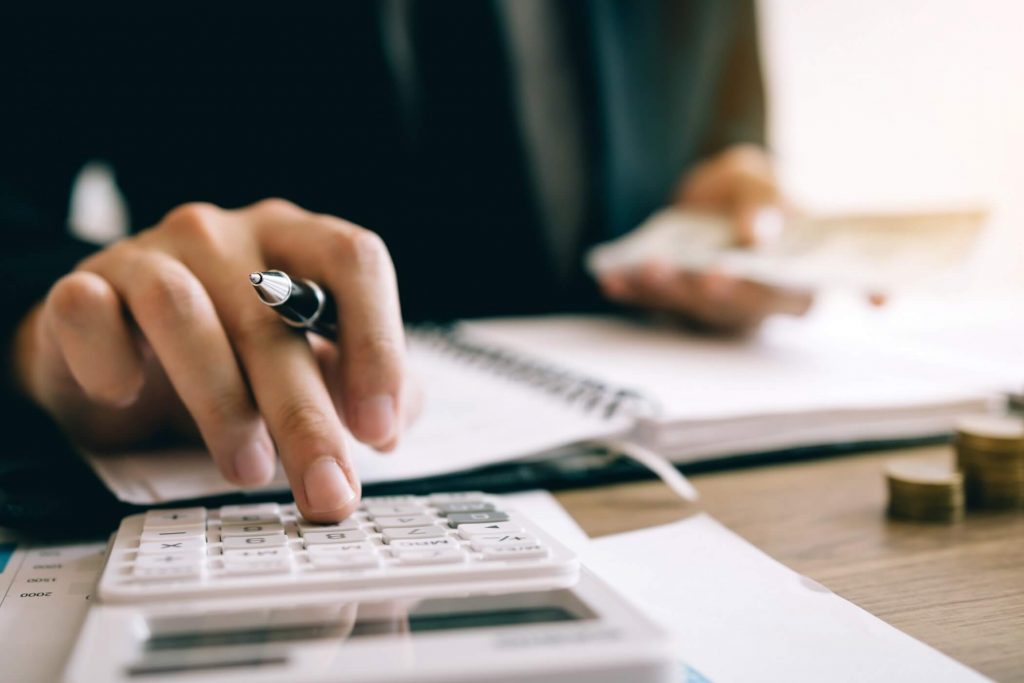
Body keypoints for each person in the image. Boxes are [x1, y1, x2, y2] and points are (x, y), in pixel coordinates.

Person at [0, 2, 801, 523]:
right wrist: (49, 328)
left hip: (665, 465)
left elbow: (726, 124)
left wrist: (736, 192)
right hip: (225, 441)